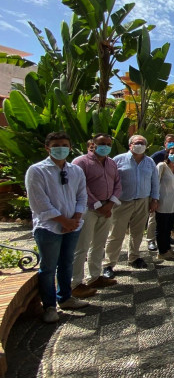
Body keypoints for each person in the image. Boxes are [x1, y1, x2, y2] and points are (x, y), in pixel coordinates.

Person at [26, 132, 89, 323]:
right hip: (49, 227)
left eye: (64, 145)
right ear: (47, 148)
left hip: (73, 225)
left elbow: (82, 195)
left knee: (67, 262)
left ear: (70, 148)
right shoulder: (37, 171)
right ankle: (50, 306)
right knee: (48, 267)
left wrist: (76, 218)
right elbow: (39, 203)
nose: (60, 148)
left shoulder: (75, 171)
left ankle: (66, 297)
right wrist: (63, 221)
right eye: (56, 145)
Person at [71, 133, 121, 299]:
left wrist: (110, 204)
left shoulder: (112, 163)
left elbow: (118, 185)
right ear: (93, 144)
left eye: (108, 143)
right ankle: (75, 284)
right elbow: (81, 186)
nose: (105, 146)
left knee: (99, 244)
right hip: (88, 209)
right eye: (102, 143)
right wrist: (99, 205)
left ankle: (94, 277)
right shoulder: (81, 162)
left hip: (107, 208)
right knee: (82, 247)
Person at [104, 135, 159, 278]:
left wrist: (154, 199)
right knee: (116, 233)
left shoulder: (150, 162)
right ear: (130, 145)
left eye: (142, 143)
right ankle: (109, 264)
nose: (139, 145)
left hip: (143, 201)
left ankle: (134, 257)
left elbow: (155, 182)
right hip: (122, 202)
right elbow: (111, 181)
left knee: (138, 232)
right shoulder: (118, 160)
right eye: (137, 143)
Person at [149, 134, 174, 249]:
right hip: (158, 194)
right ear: (165, 144)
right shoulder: (158, 157)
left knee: (167, 221)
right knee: (154, 219)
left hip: (171, 196)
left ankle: (166, 239)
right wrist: (154, 196)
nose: (172, 143)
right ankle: (151, 240)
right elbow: (153, 174)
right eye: (169, 141)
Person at [156, 147, 174, 260]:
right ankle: (161, 251)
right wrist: (154, 199)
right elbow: (156, 183)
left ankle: (167, 248)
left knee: (169, 228)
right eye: (172, 153)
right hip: (163, 202)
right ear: (167, 154)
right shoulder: (161, 166)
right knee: (162, 228)